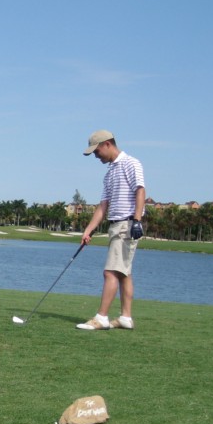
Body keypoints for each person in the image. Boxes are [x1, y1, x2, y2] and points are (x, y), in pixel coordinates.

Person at [76, 130, 146, 330]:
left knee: (110, 272)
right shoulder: (109, 174)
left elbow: (140, 190)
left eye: (96, 151)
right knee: (124, 273)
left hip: (127, 224)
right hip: (116, 225)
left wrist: (137, 221)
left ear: (107, 144)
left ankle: (102, 318)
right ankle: (125, 317)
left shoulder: (131, 163)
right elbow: (103, 206)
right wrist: (88, 230)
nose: (96, 156)